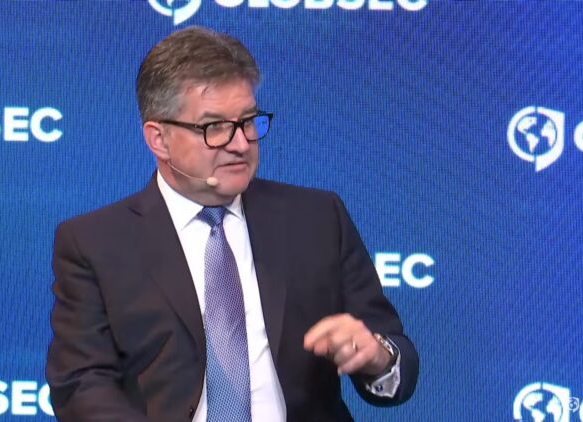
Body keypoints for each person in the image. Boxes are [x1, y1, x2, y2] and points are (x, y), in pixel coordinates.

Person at [46, 26, 418, 422]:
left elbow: (396, 359)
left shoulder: (317, 218)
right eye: (215, 127)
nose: (240, 143)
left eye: (248, 122)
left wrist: (377, 355)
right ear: (159, 139)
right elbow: (80, 384)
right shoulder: (95, 243)